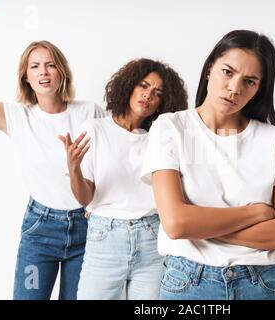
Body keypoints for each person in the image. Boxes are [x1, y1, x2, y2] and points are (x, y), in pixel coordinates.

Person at [141, 30, 275, 300]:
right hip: (189, 284)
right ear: (210, 69)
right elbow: (176, 223)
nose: (235, 88)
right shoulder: (170, 128)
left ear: (258, 89)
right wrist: (255, 213)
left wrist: (202, 227)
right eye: (227, 72)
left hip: (263, 285)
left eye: (250, 81)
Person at [0, 1, 105, 299]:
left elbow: (111, 168)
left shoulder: (91, 112)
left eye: (51, 64)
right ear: (26, 76)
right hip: (40, 232)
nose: (44, 72)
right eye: (35, 66)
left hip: (88, 231)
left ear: (62, 71)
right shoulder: (16, 117)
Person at [59, 58, 188, 300]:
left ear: (163, 103)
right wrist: (74, 168)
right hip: (105, 237)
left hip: (152, 237)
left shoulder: (160, 138)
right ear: (128, 86)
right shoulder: (95, 128)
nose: (148, 95)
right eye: (143, 85)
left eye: (157, 93)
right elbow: (85, 197)